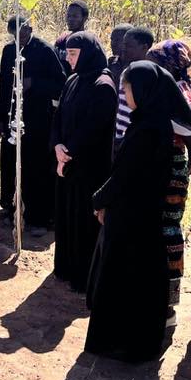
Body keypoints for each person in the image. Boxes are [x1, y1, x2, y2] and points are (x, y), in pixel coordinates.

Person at [85, 61, 191, 362]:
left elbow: (125, 176)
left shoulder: (147, 129)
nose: (123, 92)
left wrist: (99, 200)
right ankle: (128, 341)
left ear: (144, 89)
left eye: (128, 87)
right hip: (138, 214)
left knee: (126, 275)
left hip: (133, 216)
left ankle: (121, 343)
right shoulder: (150, 121)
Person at [51, 32, 117, 293]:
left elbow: (94, 129)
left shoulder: (103, 86)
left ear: (87, 54)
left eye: (73, 54)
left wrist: (69, 152)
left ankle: (83, 276)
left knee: (83, 222)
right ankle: (66, 268)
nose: (68, 59)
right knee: (66, 217)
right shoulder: (73, 80)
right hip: (65, 161)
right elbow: (57, 116)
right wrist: (57, 145)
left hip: (88, 167)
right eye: (67, 53)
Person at [147, 39, 191, 324]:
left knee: (167, 231)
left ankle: (167, 305)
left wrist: (178, 169)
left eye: (154, 64)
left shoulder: (177, 97)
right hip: (159, 167)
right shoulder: (158, 91)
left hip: (168, 169)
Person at [0, 16, 66, 233]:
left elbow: (60, 83)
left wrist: (33, 82)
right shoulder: (9, 51)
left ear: (30, 28)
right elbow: (3, 85)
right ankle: (12, 210)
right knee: (11, 164)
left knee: (35, 167)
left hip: (37, 120)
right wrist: (1, 119)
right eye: (15, 34)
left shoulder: (45, 50)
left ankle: (38, 217)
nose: (20, 38)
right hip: (13, 118)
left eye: (23, 32)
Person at [113, 26, 154, 154]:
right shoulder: (127, 71)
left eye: (129, 46)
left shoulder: (150, 76)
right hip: (119, 138)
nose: (123, 49)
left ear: (144, 47)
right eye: (124, 45)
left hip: (136, 142)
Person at [54, 0, 90, 77]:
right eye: (68, 16)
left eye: (75, 16)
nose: (70, 19)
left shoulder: (88, 43)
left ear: (84, 18)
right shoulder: (61, 40)